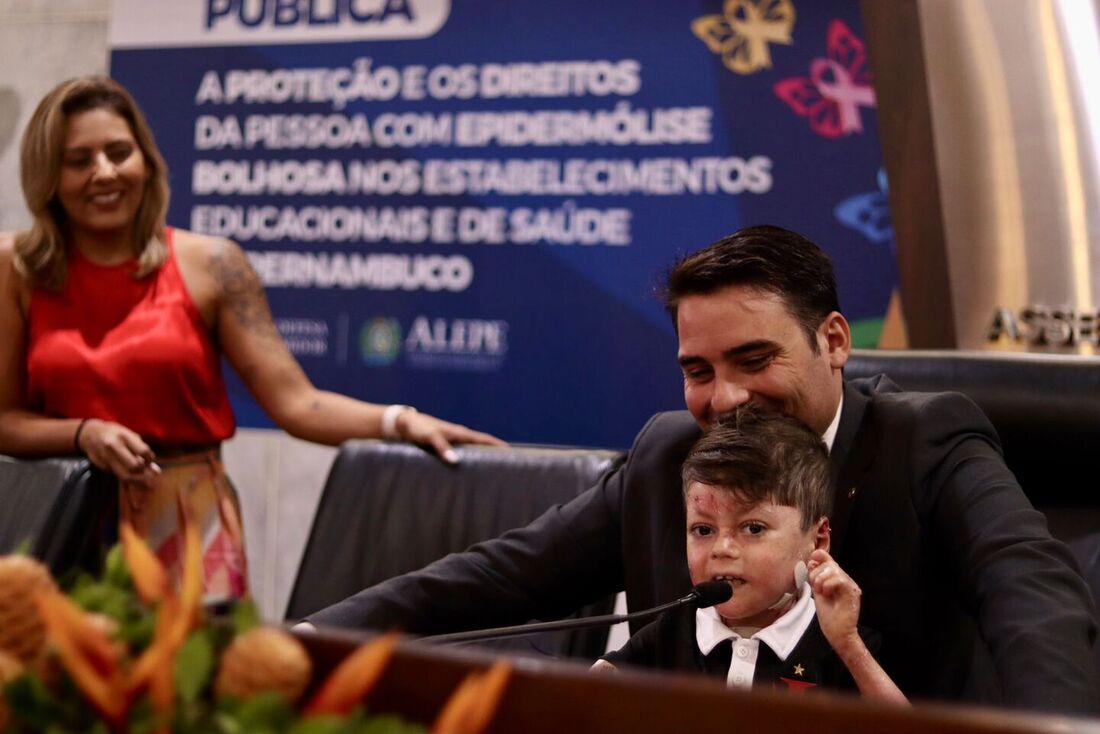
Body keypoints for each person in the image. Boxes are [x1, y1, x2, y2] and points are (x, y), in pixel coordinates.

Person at [305, 225, 1100, 714]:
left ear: (832, 340)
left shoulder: (925, 439)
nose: (725, 398)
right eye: (697, 368)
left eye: (754, 359)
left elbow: (1033, 595)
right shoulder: (664, 455)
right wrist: (308, 640)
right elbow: (500, 578)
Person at [0, 75, 503, 597]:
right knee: (52, 678)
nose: (104, 172)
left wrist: (400, 422)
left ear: (146, 161)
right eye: (78, 160)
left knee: (200, 678)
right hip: (60, 519)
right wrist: (83, 433)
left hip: (189, 526)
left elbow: (296, 404)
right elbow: (3, 420)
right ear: (48, 177)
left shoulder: (214, 263)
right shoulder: (16, 267)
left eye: (119, 152)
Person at [595, 407, 906, 705]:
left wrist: (850, 647)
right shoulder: (671, 632)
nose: (722, 549)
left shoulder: (840, 643)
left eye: (753, 529)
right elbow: (584, 703)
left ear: (818, 539)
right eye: (703, 530)